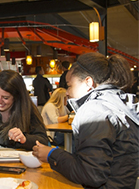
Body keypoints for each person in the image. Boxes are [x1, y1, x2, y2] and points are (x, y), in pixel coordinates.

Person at [32, 52, 139, 189]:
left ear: (88, 82)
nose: (67, 92)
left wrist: (52, 154)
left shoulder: (94, 110)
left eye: (70, 85)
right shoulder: (123, 103)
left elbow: (91, 174)